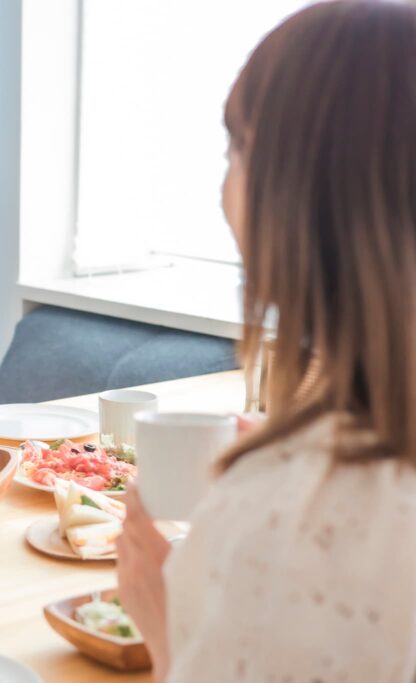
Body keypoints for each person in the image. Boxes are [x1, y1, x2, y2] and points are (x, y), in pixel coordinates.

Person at [116, 2, 416, 680]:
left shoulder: (290, 514)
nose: (225, 185)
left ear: (303, 191)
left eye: (237, 149)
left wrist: (168, 628)